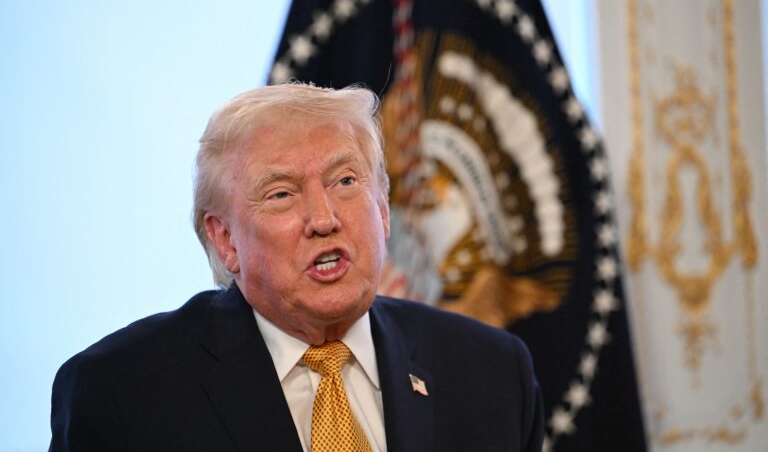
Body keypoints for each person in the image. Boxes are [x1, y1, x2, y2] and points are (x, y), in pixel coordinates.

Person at [49, 83, 544, 451]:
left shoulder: (493, 373)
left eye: (346, 181)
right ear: (225, 240)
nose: (324, 219)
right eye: (282, 194)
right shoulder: (120, 394)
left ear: (384, 209)